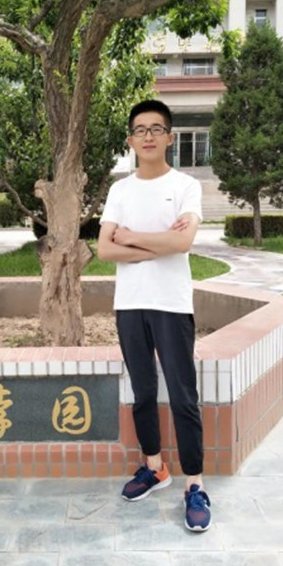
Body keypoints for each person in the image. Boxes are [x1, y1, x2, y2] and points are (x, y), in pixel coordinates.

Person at [97, 99, 211, 532]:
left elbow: (182, 244)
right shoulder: (120, 190)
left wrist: (130, 238)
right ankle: (154, 467)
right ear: (130, 140)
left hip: (172, 304)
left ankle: (194, 484)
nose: (148, 136)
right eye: (140, 130)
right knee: (143, 392)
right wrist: (155, 243)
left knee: (183, 396)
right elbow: (104, 250)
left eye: (156, 129)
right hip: (130, 304)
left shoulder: (185, 186)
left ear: (169, 137)